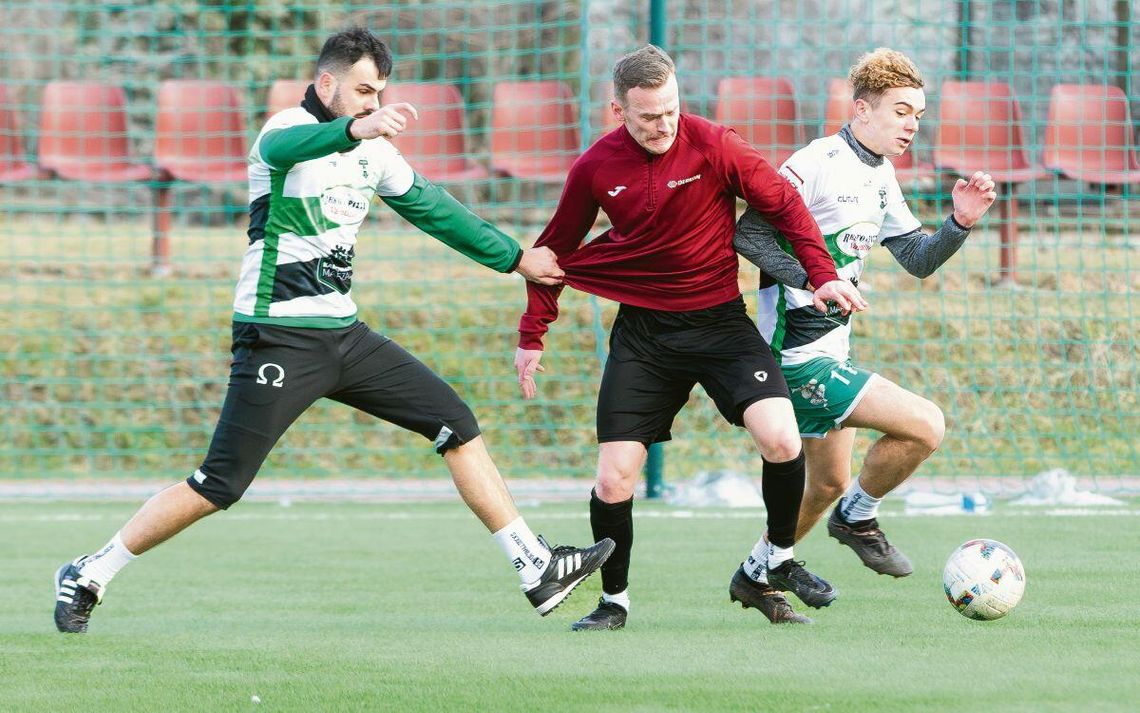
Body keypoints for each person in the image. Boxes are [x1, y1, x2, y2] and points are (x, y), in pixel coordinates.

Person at [53, 28, 614, 634]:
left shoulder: (373, 151)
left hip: (346, 337)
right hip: (278, 338)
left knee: (457, 423)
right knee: (221, 483)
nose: (373, 103)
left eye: (379, 93)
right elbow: (293, 146)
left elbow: (436, 210)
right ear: (327, 84)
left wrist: (516, 257)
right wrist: (353, 129)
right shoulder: (284, 131)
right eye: (362, 90)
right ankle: (89, 572)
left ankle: (533, 566)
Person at [513, 45, 868, 629]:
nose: (663, 125)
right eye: (648, 115)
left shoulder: (716, 143)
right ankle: (614, 602)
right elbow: (553, 253)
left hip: (721, 324)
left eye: (671, 110)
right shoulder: (595, 168)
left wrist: (823, 275)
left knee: (781, 439)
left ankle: (776, 561)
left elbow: (786, 208)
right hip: (645, 337)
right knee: (613, 478)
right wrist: (534, 334)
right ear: (617, 111)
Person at [733, 48, 996, 595]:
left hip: (831, 352)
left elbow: (918, 259)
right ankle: (857, 517)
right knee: (926, 425)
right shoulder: (815, 164)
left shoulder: (881, 174)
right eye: (901, 111)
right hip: (793, 354)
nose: (911, 125)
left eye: (918, 115)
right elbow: (749, 235)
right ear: (861, 110)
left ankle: (756, 574)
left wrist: (960, 223)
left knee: (825, 482)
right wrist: (813, 280)